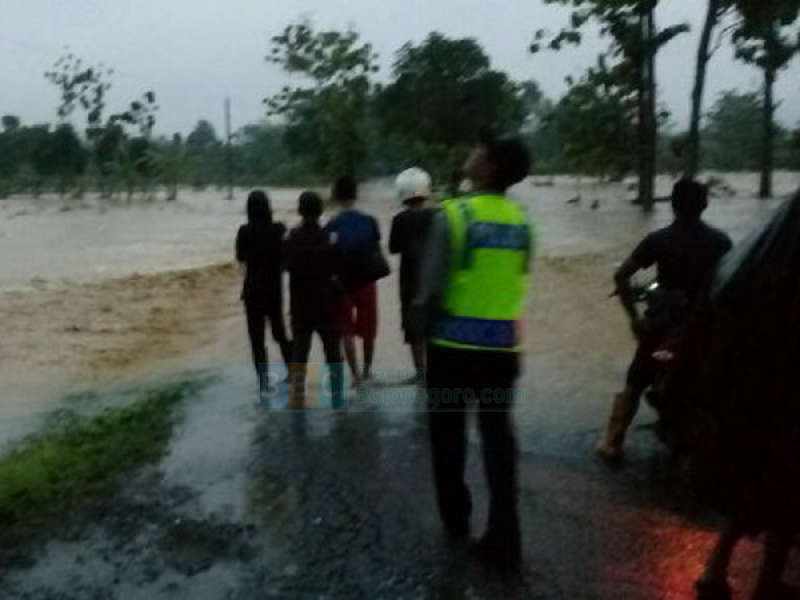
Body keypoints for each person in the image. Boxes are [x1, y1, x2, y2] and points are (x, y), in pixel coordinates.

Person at [660, 191, 800, 600]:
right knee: (787, 487)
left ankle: (716, 568)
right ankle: (767, 579)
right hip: (784, 395)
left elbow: (714, 314)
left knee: (752, 478)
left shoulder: (754, 261)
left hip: (747, 392)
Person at [415, 134, 534, 572]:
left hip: (452, 351)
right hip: (502, 351)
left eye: (479, 151)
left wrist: (420, 330)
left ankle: (456, 521)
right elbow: (517, 280)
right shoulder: (522, 220)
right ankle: (505, 534)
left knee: (448, 437)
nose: (471, 154)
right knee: (498, 440)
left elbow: (429, 290)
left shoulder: (453, 215)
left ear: (490, 167)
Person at [594, 179, 732, 463]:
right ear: (705, 204)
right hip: (701, 326)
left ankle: (612, 442)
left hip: (661, 325)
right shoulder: (721, 242)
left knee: (635, 382)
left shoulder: (658, 240)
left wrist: (633, 318)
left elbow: (621, 275)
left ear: (672, 204)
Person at [284, 191, 344, 408]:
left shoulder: (291, 238)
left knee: (300, 352)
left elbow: (286, 266)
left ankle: (297, 397)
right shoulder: (330, 237)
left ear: (300, 211)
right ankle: (337, 396)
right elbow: (338, 267)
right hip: (326, 302)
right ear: (320, 211)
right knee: (333, 352)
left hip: (301, 304)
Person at [325, 175, 384, 386]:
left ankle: (356, 376)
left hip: (342, 284)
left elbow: (328, 256)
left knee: (347, 330)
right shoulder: (370, 220)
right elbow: (376, 248)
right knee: (369, 329)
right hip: (367, 281)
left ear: (336, 196)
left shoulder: (332, 224)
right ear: (356, 194)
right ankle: (368, 372)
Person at [235, 190, 292, 396]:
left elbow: (241, 262)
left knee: (256, 340)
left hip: (252, 291)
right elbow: (286, 259)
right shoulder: (279, 229)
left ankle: (264, 383)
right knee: (280, 333)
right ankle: (293, 372)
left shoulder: (244, 231)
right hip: (274, 290)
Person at [389, 167, 435, 385]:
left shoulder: (399, 220)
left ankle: (420, 372)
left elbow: (393, 248)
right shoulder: (437, 215)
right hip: (432, 278)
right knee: (433, 325)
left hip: (409, 281)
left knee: (414, 328)